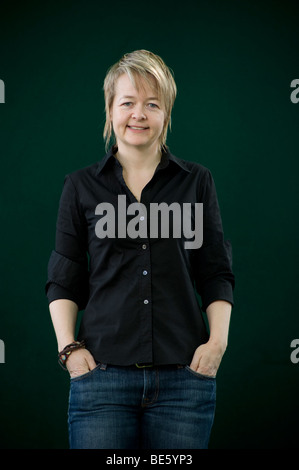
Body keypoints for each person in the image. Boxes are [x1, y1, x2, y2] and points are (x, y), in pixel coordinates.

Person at [45, 49, 235, 449]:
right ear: (110, 110)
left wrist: (217, 344)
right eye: (128, 102)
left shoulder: (197, 182)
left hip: (185, 382)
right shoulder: (80, 186)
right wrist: (68, 350)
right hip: (101, 381)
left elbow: (215, 270)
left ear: (166, 113)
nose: (139, 114)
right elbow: (64, 278)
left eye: (152, 104)